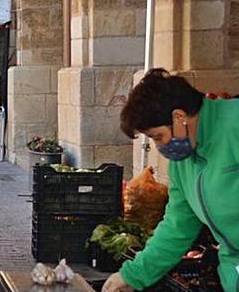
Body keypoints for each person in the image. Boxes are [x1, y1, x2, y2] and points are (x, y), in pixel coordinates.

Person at [102, 69, 238, 292]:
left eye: (158, 136)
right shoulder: (182, 164)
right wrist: (132, 275)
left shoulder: (234, 125)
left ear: (179, 117)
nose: (159, 146)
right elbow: (178, 226)